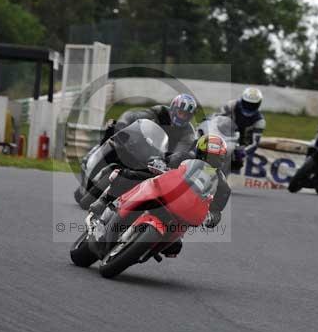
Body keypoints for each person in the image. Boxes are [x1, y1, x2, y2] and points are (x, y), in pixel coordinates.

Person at [90, 134, 232, 258]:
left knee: (174, 247)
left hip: (183, 212)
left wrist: (211, 216)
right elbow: (165, 161)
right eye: (208, 156)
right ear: (200, 153)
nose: (209, 161)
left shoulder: (222, 185)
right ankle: (104, 202)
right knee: (127, 177)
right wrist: (160, 164)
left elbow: (217, 209)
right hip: (163, 190)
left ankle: (144, 248)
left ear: (221, 160)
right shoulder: (184, 157)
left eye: (214, 159)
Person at [101, 93, 198, 162]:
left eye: (186, 115)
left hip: (161, 163)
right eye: (180, 113)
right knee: (113, 138)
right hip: (142, 148)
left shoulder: (189, 133)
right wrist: (122, 124)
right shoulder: (160, 111)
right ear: (173, 109)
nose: (182, 117)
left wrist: (169, 159)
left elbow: (180, 153)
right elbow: (132, 116)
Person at [216, 87, 266, 172]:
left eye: (252, 105)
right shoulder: (232, 105)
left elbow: (254, 143)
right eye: (247, 103)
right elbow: (217, 117)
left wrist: (242, 152)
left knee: (235, 164)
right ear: (242, 100)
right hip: (223, 135)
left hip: (239, 145)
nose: (249, 107)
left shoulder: (260, 121)